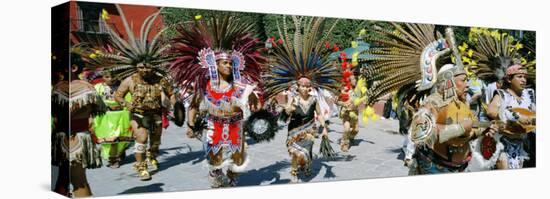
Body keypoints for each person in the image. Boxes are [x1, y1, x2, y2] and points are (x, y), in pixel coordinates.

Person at [169, 15, 265, 188]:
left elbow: (257, 107)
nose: (228, 66)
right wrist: (191, 125)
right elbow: (193, 106)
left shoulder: (241, 85)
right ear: (215, 65)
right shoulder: (205, 86)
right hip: (214, 129)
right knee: (215, 164)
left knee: (237, 164)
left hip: (236, 127)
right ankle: (217, 180)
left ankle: (230, 177)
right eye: (224, 63)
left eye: (230, 63)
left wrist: (256, 105)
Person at [263, 16, 340, 182]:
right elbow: (288, 109)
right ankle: (293, 172)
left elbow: (319, 114)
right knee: (295, 153)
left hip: (309, 130)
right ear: (297, 86)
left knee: (307, 152)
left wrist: (324, 129)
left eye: (307, 85)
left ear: (310, 87)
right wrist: (288, 109)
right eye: (302, 85)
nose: (304, 88)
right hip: (294, 130)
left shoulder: (313, 100)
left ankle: (307, 166)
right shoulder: (294, 98)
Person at [487, 64, 536, 169]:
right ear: (509, 79)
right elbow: (491, 111)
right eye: (519, 77)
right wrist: (515, 116)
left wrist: (532, 120)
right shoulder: (502, 94)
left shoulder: (529, 94)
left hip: (522, 143)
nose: (524, 80)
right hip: (503, 142)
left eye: (525, 77)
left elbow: (534, 114)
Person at [93, 71, 132, 168]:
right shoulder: (98, 87)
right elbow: (93, 102)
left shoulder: (123, 86)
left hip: (121, 115)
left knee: (120, 136)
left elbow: (129, 100)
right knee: (110, 138)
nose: (110, 79)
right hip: (105, 117)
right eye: (107, 77)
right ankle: (113, 158)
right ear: (103, 77)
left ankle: (118, 153)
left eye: (113, 76)